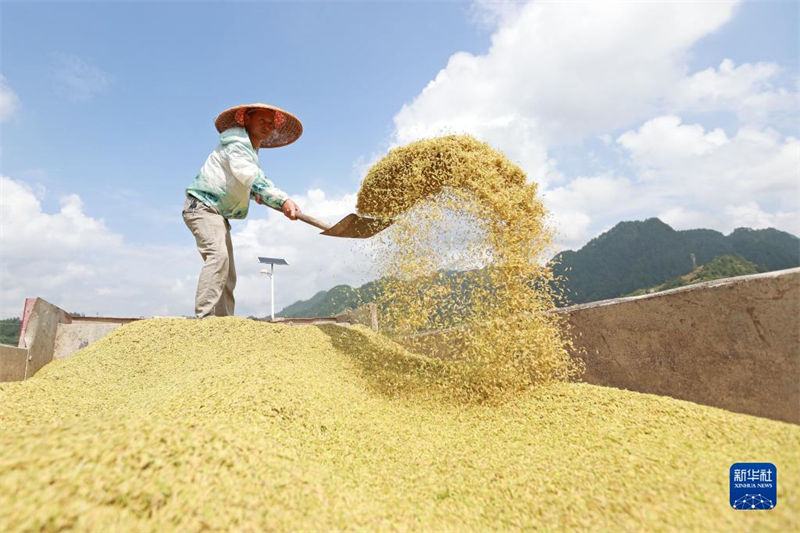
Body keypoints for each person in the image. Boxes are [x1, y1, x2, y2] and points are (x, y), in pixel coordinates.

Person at [183, 103, 303, 318]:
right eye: (262, 120)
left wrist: (255, 193)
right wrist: (282, 199)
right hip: (202, 206)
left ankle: (224, 322)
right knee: (218, 257)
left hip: (217, 213)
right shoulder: (236, 144)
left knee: (229, 273)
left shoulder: (250, 151)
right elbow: (249, 175)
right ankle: (205, 318)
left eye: (271, 123)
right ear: (246, 120)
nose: (267, 126)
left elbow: (242, 180)